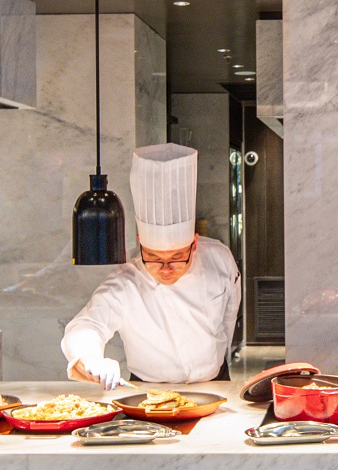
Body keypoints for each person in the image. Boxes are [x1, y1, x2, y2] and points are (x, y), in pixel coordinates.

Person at [63, 143, 242, 386]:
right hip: (148, 390)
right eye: (154, 258)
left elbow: (228, 318)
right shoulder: (125, 282)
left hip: (214, 382)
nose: (166, 268)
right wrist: (91, 359)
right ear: (140, 245)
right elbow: (87, 325)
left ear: (194, 244)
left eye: (177, 257)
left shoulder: (219, 259)